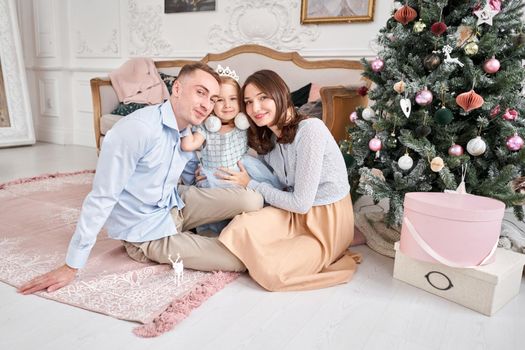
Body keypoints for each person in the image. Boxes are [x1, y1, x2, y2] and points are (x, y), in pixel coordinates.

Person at [18, 62, 263, 295]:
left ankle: (202, 234)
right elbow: (102, 197)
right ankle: (198, 240)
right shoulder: (136, 130)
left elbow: (185, 171)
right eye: (200, 92)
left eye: (212, 98)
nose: (207, 105)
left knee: (253, 201)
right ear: (176, 88)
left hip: (175, 203)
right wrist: (72, 265)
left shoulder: (187, 127)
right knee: (240, 260)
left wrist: (201, 177)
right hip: (146, 233)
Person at [215, 69, 361, 291]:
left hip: (325, 222)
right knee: (240, 228)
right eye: (248, 102)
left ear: (280, 94)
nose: (255, 108)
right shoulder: (270, 138)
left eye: (263, 98)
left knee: (274, 272)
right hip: (293, 214)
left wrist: (252, 185)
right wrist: (209, 169)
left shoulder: (311, 130)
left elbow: (301, 204)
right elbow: (255, 169)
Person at [180, 67, 281, 190]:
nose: (227, 105)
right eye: (220, 100)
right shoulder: (206, 127)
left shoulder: (245, 124)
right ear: (211, 103)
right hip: (214, 176)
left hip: (241, 174)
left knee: (259, 193)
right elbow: (187, 145)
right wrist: (187, 120)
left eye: (233, 99)